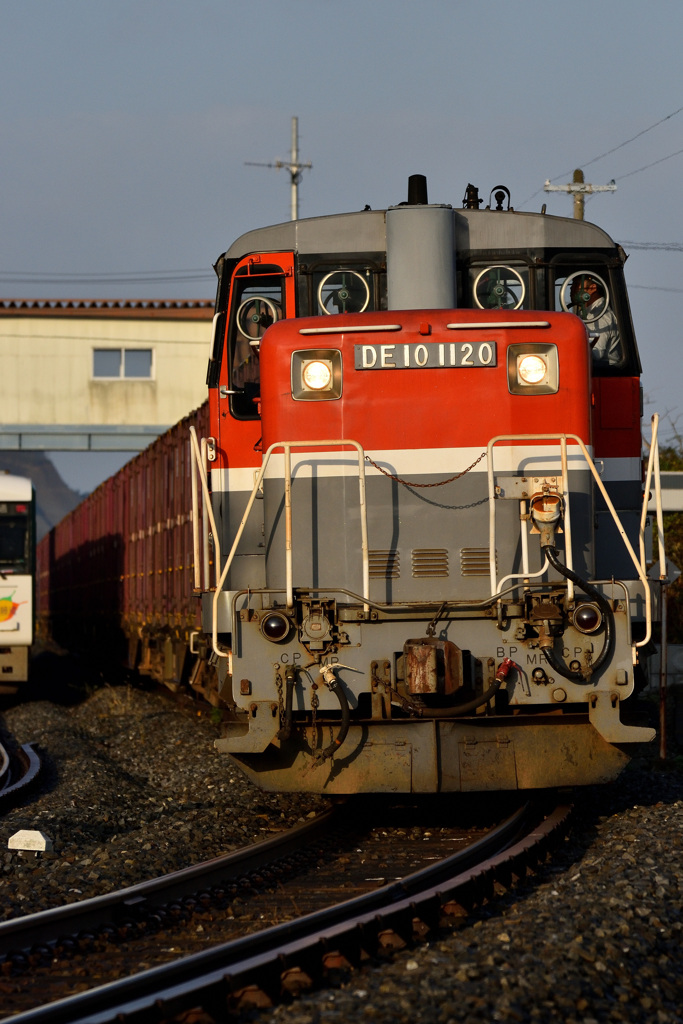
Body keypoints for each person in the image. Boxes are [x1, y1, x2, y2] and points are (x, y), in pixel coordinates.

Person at [569, 274, 621, 366]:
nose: (571, 288)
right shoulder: (588, 313)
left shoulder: (599, 315)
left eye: (576, 284)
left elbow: (597, 353)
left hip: (603, 374)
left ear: (592, 288)